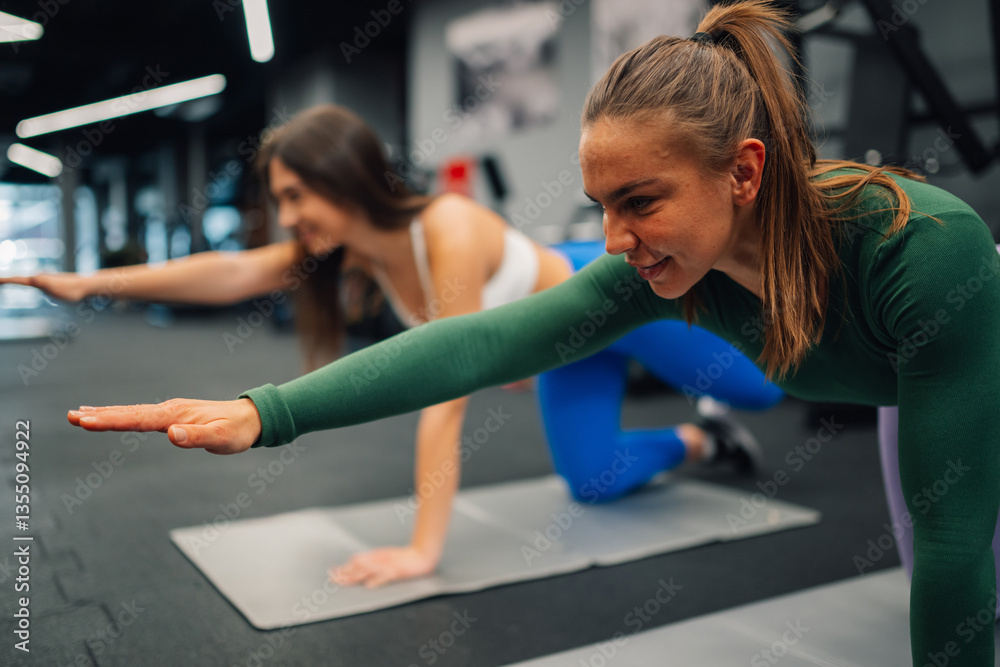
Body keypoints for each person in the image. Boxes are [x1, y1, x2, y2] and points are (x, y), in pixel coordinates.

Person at [65, 1, 999, 661]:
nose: (613, 238)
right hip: (887, 384)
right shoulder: (658, 271)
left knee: (960, 555)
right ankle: (706, 429)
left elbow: (958, 547)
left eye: (641, 201)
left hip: (968, 366)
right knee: (935, 579)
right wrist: (264, 410)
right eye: (600, 205)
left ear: (743, 173)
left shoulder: (924, 254)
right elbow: (478, 345)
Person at [3, 105, 779, 587]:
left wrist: (422, 548)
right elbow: (230, 271)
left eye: (296, 196)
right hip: (566, 355)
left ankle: (734, 397)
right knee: (595, 482)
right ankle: (702, 439)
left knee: (769, 386)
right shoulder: (352, 253)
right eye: (280, 202)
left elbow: (449, 383)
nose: (289, 216)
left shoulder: (443, 226)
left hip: (614, 301)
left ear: (343, 181)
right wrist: (92, 284)